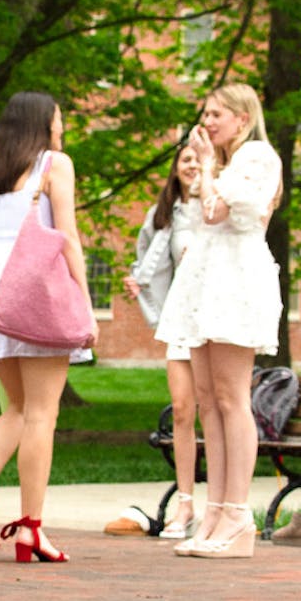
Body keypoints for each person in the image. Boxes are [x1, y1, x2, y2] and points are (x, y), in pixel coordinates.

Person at [0, 91, 99, 563]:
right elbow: (68, 237)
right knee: (41, 413)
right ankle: (32, 527)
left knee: (15, 405)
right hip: (33, 280)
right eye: (59, 119)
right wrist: (87, 304)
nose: (62, 127)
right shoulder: (56, 164)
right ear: (43, 125)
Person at [155, 83, 282, 559]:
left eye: (216, 115)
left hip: (235, 285)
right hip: (206, 285)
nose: (206, 122)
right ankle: (213, 510)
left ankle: (238, 513)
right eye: (205, 114)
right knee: (208, 400)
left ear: (242, 119)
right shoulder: (228, 165)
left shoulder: (257, 158)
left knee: (232, 398)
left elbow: (213, 212)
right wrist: (211, 169)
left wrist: (207, 169)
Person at [117, 145, 202, 540]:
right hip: (184, 318)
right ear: (174, 168)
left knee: (218, 411)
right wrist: (142, 283)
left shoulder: (220, 203)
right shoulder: (165, 216)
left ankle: (222, 506)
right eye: (185, 159)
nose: (192, 164)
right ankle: (184, 504)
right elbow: (148, 258)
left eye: (199, 159)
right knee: (183, 411)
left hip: (219, 318)